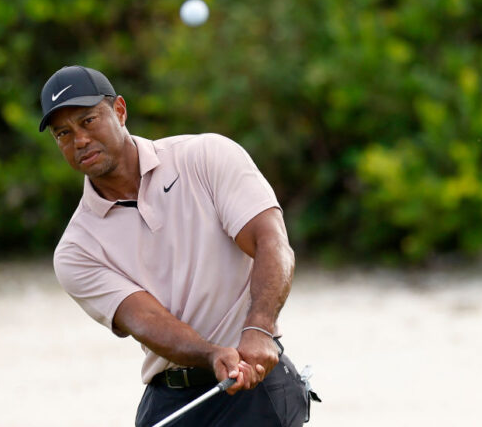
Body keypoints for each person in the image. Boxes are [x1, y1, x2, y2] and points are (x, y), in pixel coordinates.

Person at [39, 65, 310, 426]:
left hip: (256, 385)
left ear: (120, 111)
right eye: (63, 134)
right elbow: (146, 320)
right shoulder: (76, 250)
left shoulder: (205, 157)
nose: (80, 140)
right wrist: (213, 355)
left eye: (88, 121)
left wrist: (259, 328)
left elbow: (270, 240)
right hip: (171, 395)